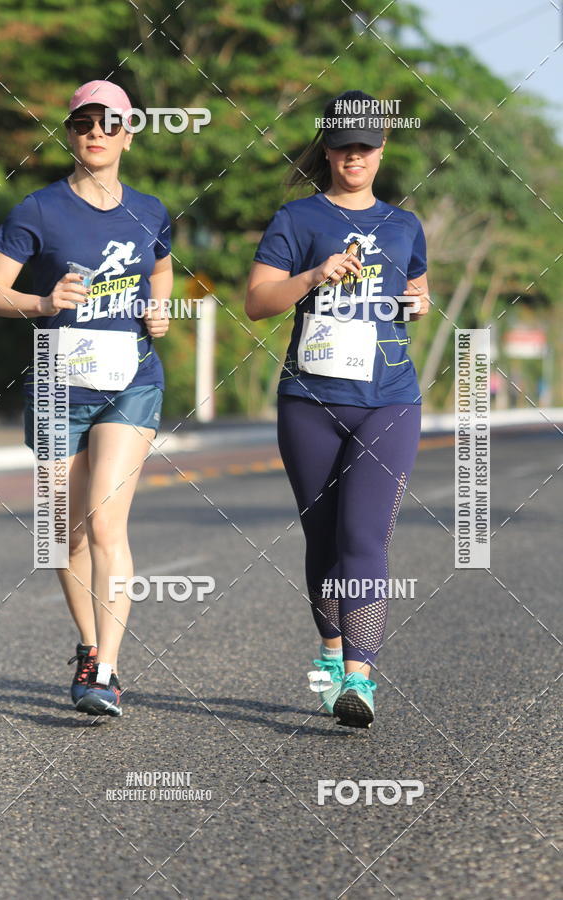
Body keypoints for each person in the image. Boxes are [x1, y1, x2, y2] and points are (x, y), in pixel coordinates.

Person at [0, 80, 173, 718]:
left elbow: (162, 265)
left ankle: (108, 672)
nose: (96, 132)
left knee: (107, 521)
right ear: (70, 132)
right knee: (65, 534)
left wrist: (159, 305)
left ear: (128, 132)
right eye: (84, 122)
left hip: (131, 383)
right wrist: (42, 302)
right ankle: (89, 649)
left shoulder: (150, 209)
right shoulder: (38, 210)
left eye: (109, 123)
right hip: (59, 385)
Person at [245, 90, 430, 728]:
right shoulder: (297, 219)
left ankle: (359, 677)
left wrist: (417, 306)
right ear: (327, 149)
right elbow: (258, 303)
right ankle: (329, 650)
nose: (356, 155)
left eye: (367, 146)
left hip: (389, 400)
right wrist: (314, 277)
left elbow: (413, 295)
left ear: (381, 152)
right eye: (344, 145)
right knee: (322, 537)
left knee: (363, 536)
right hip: (311, 401)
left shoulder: (405, 225)